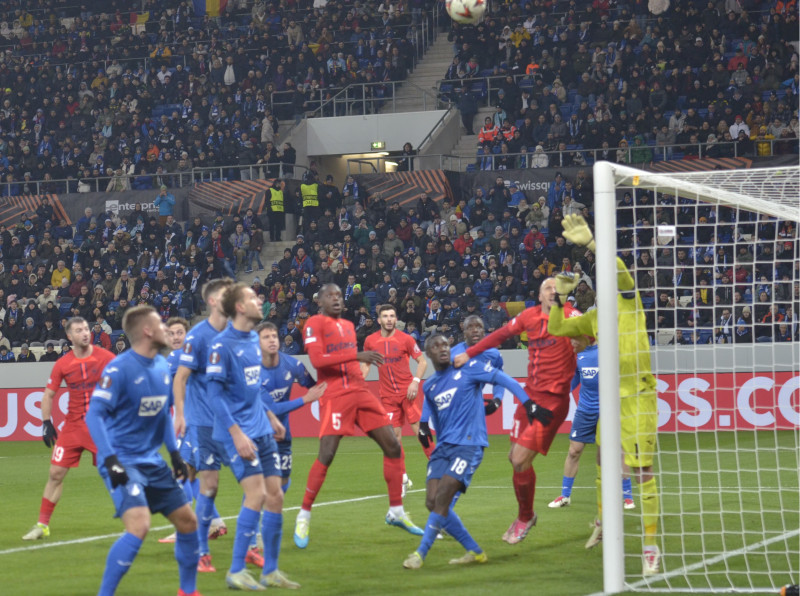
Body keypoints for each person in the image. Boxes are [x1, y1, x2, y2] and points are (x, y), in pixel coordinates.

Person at [547, 214, 660, 576]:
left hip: (637, 398)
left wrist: (593, 243)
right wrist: (559, 297)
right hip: (609, 403)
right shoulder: (594, 317)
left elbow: (622, 269)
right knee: (600, 465)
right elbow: (558, 327)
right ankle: (601, 522)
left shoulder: (629, 299)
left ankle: (650, 546)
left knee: (641, 470)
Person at [403, 333, 551, 569]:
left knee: (442, 498)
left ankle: (420, 554)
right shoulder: (430, 385)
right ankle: (474, 551)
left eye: (446, 344)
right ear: (428, 354)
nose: (443, 348)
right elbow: (431, 413)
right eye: (436, 346)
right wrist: (423, 426)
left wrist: (528, 403)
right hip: (444, 448)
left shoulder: (470, 368)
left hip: (469, 445)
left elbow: (505, 380)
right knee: (431, 501)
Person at [294, 284, 422, 549]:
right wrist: (357, 354)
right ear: (320, 301)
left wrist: (358, 365)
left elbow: (351, 361)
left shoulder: (349, 327)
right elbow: (318, 360)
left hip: (360, 391)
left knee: (394, 446)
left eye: (339, 295)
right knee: (327, 454)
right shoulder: (313, 323)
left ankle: (396, 511)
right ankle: (303, 515)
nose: (337, 299)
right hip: (336, 395)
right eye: (331, 295)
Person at [453, 276, 579, 545]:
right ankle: (527, 515)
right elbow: (500, 334)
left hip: (554, 400)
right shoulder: (529, 316)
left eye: (558, 288)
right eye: (548, 288)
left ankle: (525, 516)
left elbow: (590, 338)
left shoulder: (571, 315)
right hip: (529, 396)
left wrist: (580, 341)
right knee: (514, 458)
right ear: (540, 294)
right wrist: (470, 352)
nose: (553, 291)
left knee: (521, 459)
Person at [85, 305, 199, 596]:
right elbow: (94, 415)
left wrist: (173, 454)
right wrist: (110, 459)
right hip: (123, 461)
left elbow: (161, 414)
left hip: (152, 462)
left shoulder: (162, 366)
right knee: (140, 525)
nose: (166, 329)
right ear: (147, 331)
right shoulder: (119, 369)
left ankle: (188, 591)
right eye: (160, 324)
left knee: (188, 522)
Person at [206, 283, 301, 590]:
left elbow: (251, 391)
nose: (259, 300)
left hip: (261, 430)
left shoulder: (251, 341)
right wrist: (236, 434)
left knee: (276, 496)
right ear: (240, 308)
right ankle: (235, 570)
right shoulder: (222, 346)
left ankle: (270, 570)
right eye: (251, 298)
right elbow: (214, 395)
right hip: (237, 434)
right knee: (257, 495)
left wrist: (271, 416)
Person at [22, 317, 116, 540]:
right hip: (73, 428)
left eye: (86, 329)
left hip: (100, 427)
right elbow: (48, 395)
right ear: (69, 336)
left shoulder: (106, 357)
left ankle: (139, 516)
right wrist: (46, 422)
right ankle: (42, 525)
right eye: (79, 330)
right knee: (55, 473)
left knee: (117, 473)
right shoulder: (63, 363)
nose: (85, 333)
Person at [172, 278, 234, 572]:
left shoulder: (239, 333)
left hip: (236, 422)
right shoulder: (197, 337)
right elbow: (180, 377)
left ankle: (254, 545)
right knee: (206, 483)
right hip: (204, 424)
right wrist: (180, 414)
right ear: (212, 301)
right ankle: (201, 549)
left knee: (258, 482)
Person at [547, 334, 635, 510]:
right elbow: (573, 382)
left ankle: (627, 496)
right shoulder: (576, 356)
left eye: (577, 338)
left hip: (609, 411)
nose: (573, 341)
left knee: (617, 452)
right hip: (585, 411)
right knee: (574, 451)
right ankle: (565, 495)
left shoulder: (609, 351)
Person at [361, 304, 430, 497]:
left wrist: (415, 382)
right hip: (388, 397)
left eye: (392, 316)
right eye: (385, 316)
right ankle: (402, 478)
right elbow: (365, 366)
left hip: (408, 393)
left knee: (421, 432)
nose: (389, 319)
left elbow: (422, 361)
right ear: (379, 320)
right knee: (394, 439)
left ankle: (438, 470)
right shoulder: (370, 341)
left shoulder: (406, 339)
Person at [257, 321, 326, 494]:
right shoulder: (252, 371)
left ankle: (272, 512)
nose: (272, 340)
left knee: (284, 478)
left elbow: (314, 387)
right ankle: (256, 516)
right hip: (258, 433)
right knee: (258, 484)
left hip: (283, 433)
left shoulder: (293, 365)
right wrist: (305, 399)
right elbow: (271, 409)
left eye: (274, 336)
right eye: (266, 337)